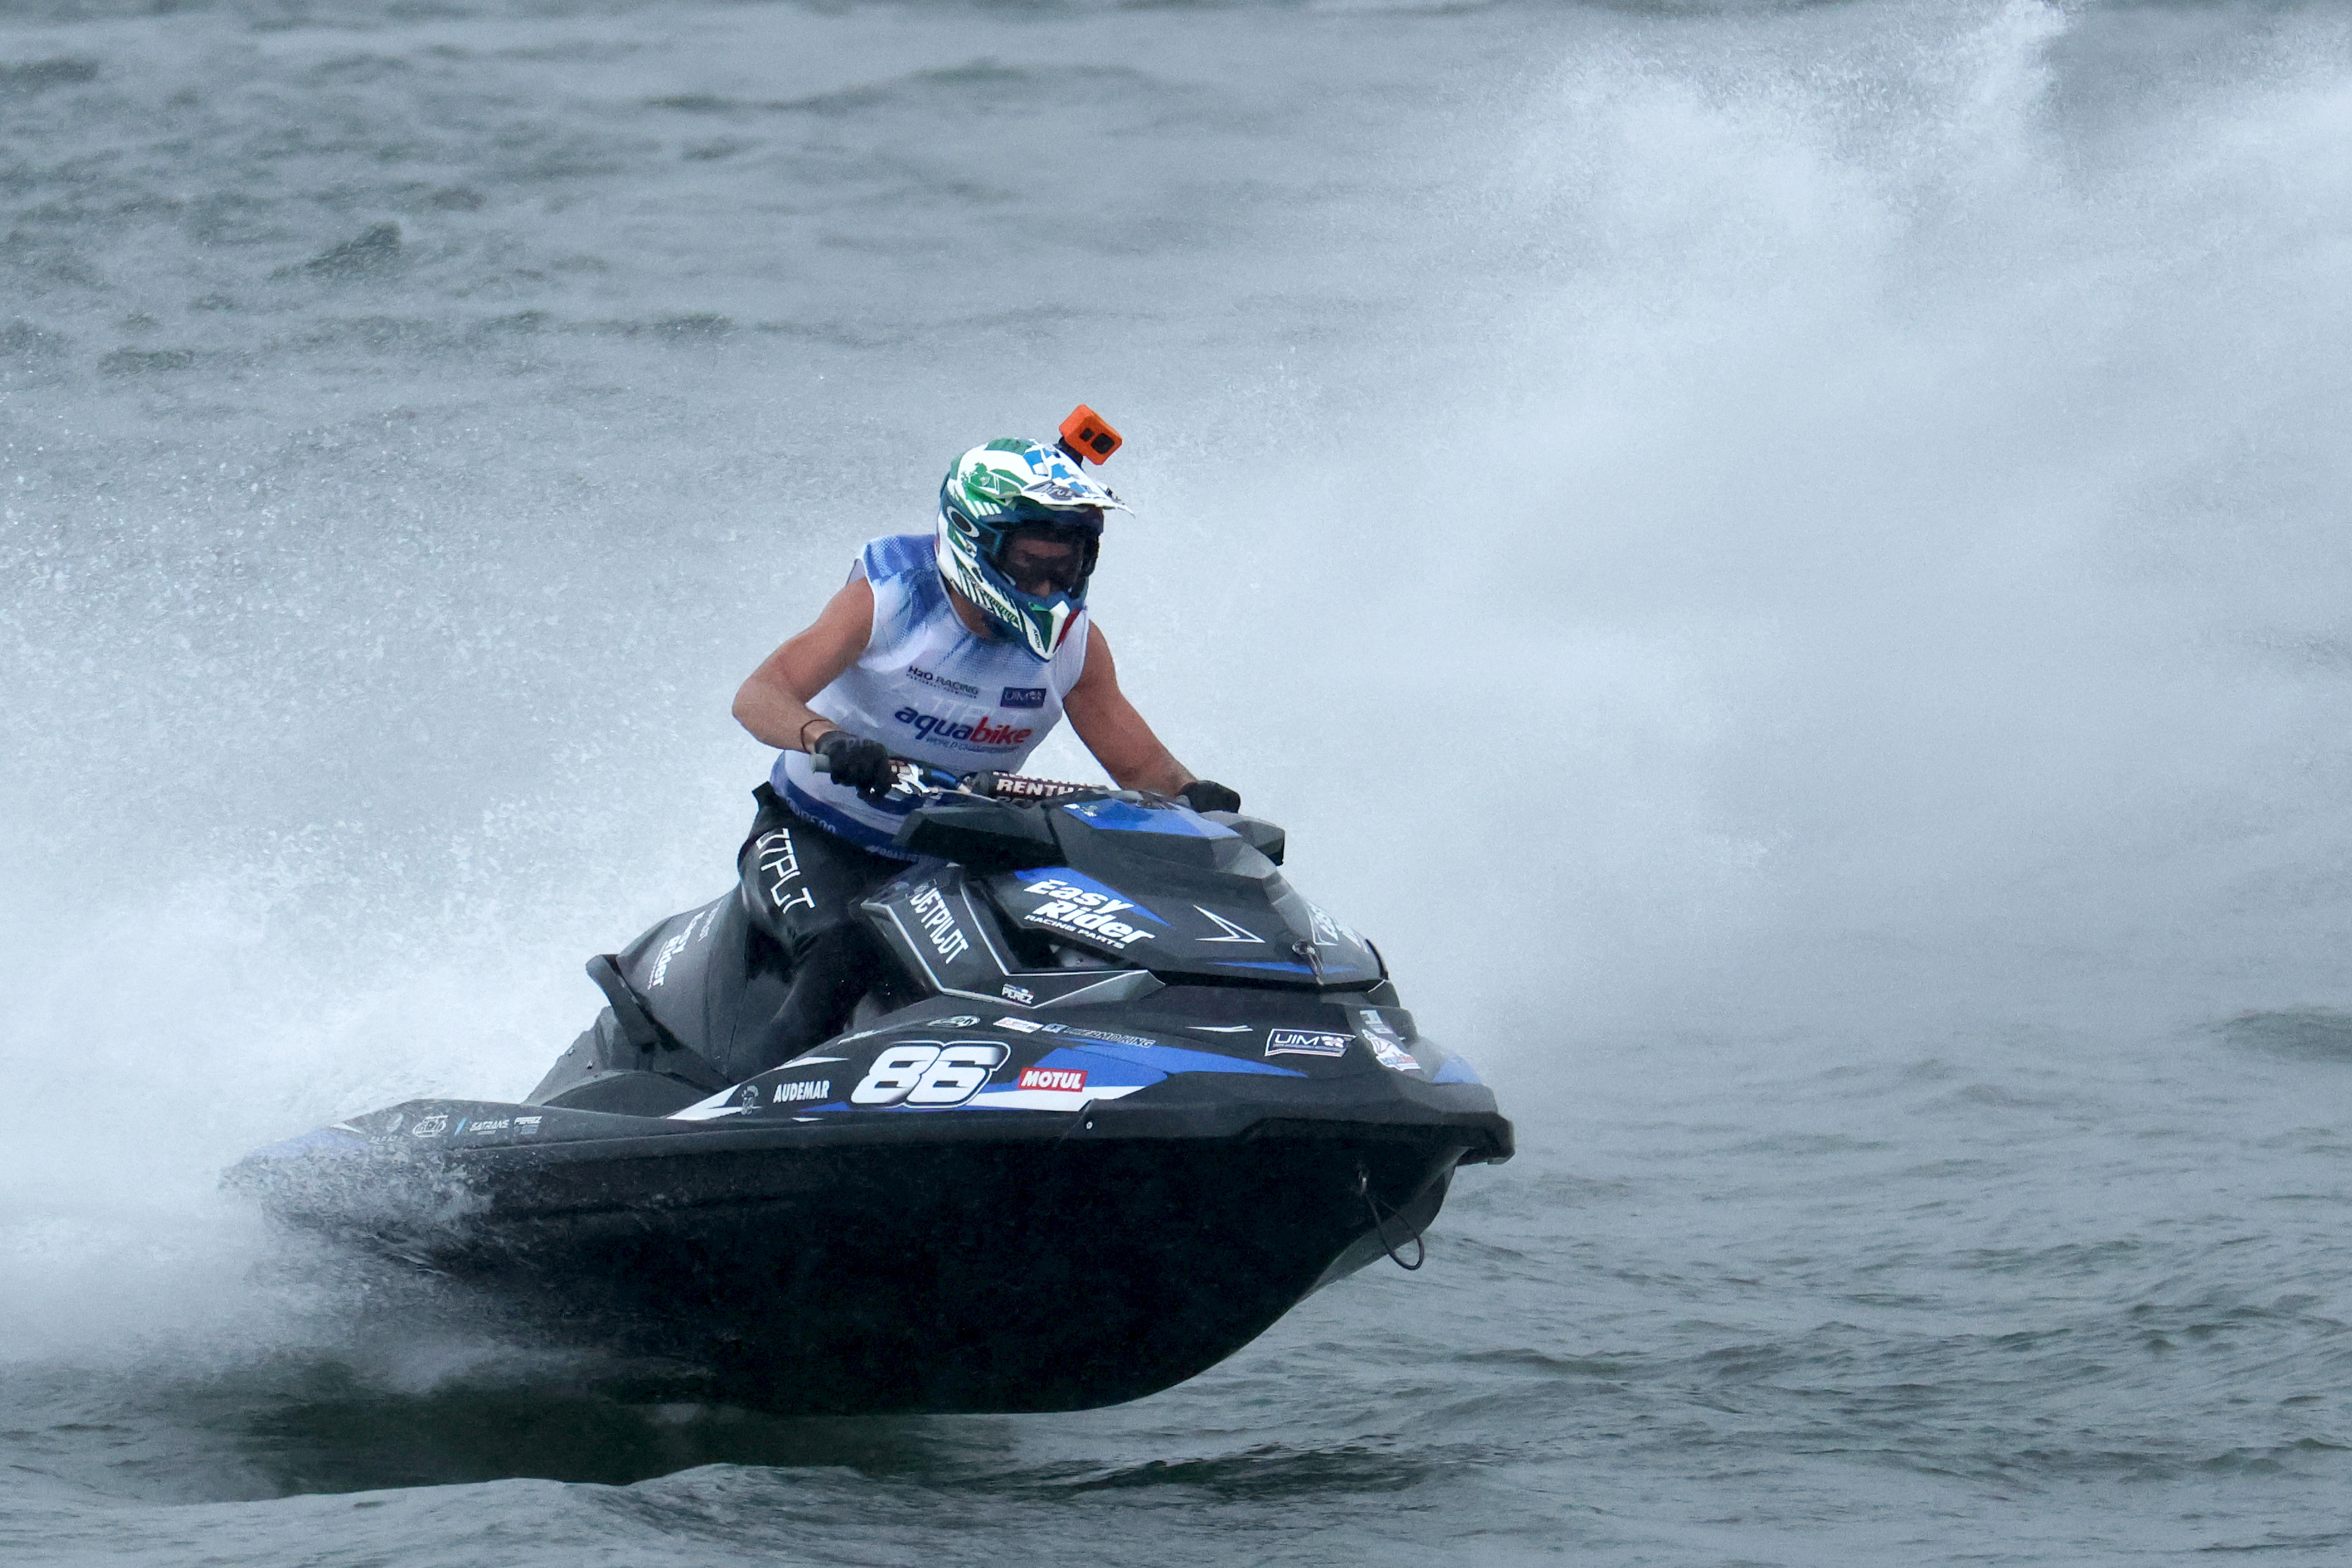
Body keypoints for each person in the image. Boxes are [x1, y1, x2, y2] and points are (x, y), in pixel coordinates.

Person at [725, 428, 1240, 1079]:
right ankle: (731, 1112)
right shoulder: (889, 600)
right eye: (1032, 564)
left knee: (1057, 959)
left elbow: (1144, 771)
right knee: (846, 949)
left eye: (1067, 565)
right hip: (815, 833)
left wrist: (1199, 802)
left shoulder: (1075, 647)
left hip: (950, 857)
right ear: (976, 542)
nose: (1050, 587)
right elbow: (758, 695)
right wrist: (827, 738)